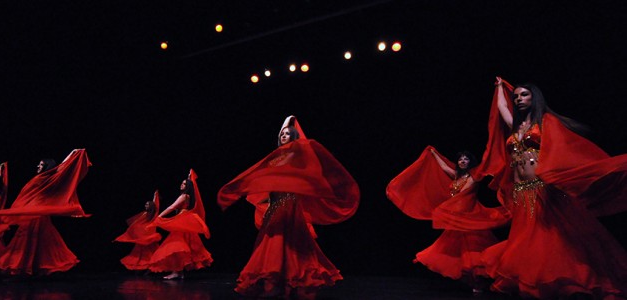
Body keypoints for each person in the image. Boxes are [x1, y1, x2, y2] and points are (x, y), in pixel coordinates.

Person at [476, 77, 627, 298]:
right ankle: (536, 283)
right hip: (520, 192)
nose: (518, 99)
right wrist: (499, 87)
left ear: (534, 97)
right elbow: (501, 108)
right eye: (516, 96)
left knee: (546, 237)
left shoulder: (546, 122)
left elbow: (563, 151)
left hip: (542, 189)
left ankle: (565, 280)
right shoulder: (516, 126)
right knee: (528, 239)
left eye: (524, 94)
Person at [218, 115, 360, 298]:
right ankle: (279, 281)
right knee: (276, 241)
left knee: (285, 240)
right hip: (275, 203)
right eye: (282, 134)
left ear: (293, 137)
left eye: (287, 134)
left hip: (288, 203)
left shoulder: (294, 155)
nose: (284, 136)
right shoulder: (277, 156)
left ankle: (286, 281)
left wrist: (289, 121)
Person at [386, 147, 509, 293]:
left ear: (471, 162)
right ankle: (474, 283)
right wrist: (433, 153)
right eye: (460, 159)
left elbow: (465, 193)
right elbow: (444, 167)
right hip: (457, 218)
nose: (463, 161)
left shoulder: (474, 176)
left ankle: (482, 282)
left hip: (469, 217)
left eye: (466, 159)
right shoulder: (457, 175)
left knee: (473, 249)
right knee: (457, 251)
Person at [0, 149, 92, 276]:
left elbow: (62, 166)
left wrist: (72, 153)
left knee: (35, 240)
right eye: (38, 164)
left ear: (47, 166)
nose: (38, 166)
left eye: (41, 164)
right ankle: (28, 267)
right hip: (31, 212)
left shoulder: (48, 178)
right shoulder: (40, 178)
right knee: (33, 240)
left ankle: (30, 267)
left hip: (38, 213)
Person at [147, 169, 212, 279]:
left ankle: (176, 272)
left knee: (174, 246)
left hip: (182, 221)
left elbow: (171, 207)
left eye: (184, 184)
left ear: (188, 187)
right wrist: (189, 177)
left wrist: (159, 216)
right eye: (182, 183)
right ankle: (179, 272)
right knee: (181, 247)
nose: (181, 184)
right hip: (186, 221)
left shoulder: (184, 196)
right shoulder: (189, 197)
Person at [114, 191, 162, 272]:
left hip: (150, 237)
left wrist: (155, 196)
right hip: (143, 238)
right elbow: (136, 223)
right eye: (145, 204)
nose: (145, 205)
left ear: (151, 206)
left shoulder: (153, 214)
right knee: (141, 255)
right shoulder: (144, 214)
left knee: (151, 253)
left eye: (147, 204)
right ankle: (143, 269)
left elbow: (156, 205)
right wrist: (131, 231)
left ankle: (151, 267)